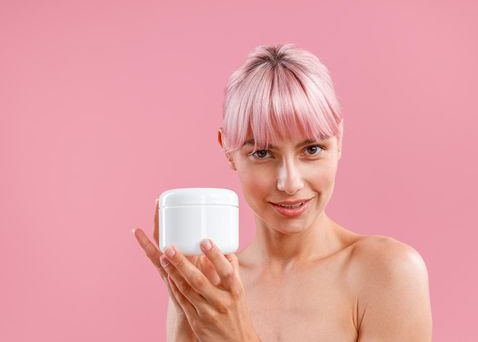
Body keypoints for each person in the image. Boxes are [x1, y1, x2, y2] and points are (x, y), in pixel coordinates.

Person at [133, 43, 432, 341]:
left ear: (339, 139)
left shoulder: (387, 274)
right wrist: (185, 309)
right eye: (262, 153)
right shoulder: (212, 291)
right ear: (227, 149)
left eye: (312, 149)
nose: (290, 183)